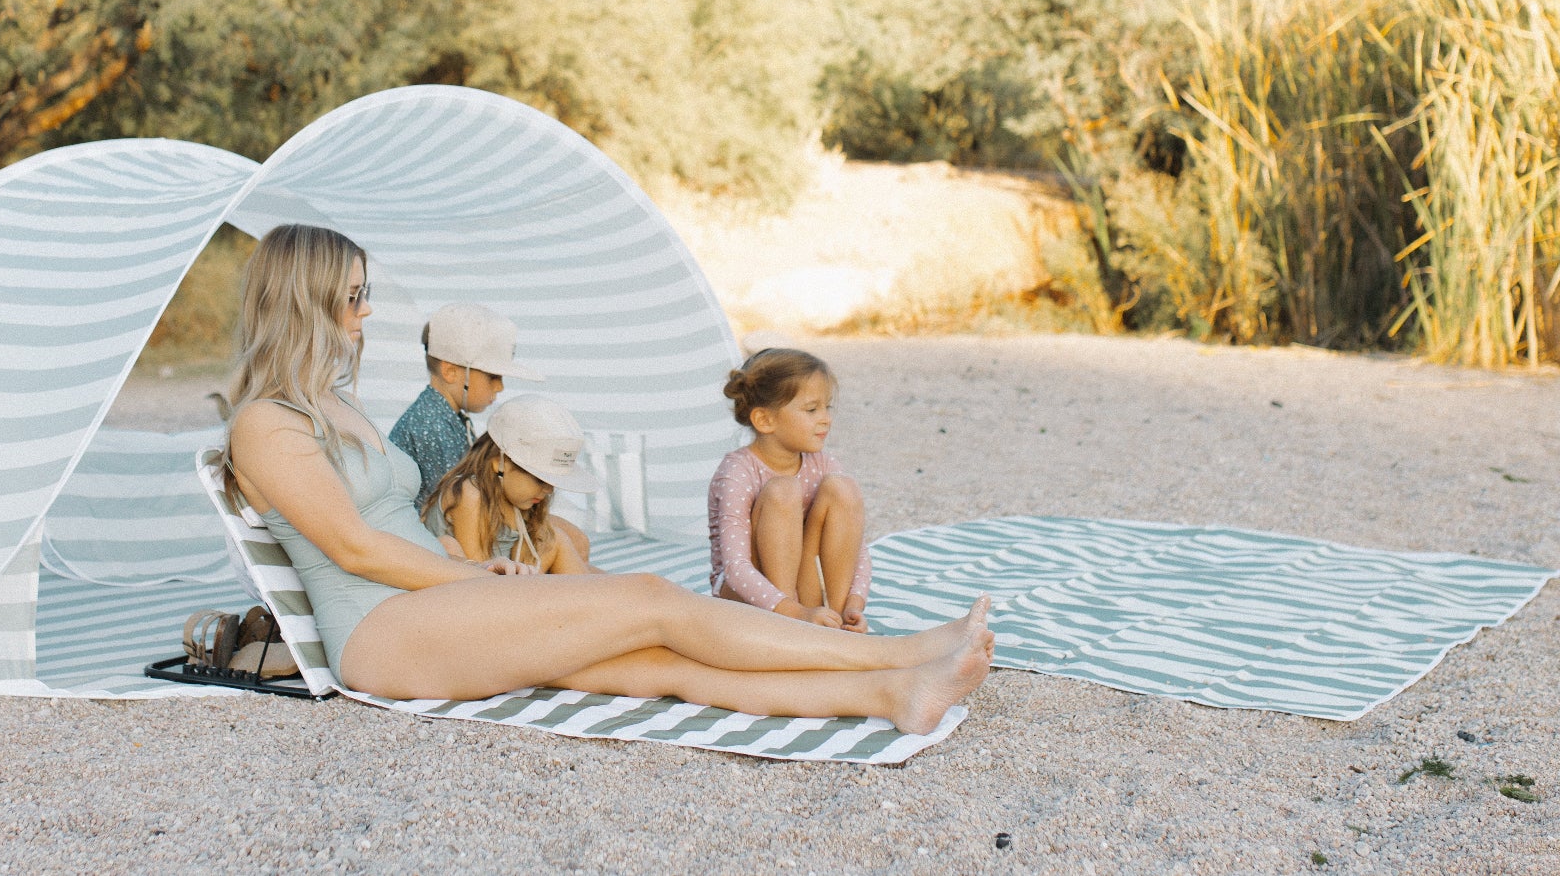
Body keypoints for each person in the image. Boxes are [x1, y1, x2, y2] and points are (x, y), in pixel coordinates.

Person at [223, 223, 994, 734]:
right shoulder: (266, 422)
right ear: (309, 300)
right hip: (381, 627)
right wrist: (474, 572)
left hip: (427, 596)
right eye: (354, 295)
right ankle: (897, 652)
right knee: (653, 599)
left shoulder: (331, 403)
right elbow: (355, 548)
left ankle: (894, 695)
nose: (366, 310)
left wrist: (469, 571)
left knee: (658, 663)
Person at [708, 348, 872, 632]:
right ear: (765, 420)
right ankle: (788, 626)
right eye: (811, 409)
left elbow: (856, 548)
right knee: (783, 490)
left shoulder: (823, 464)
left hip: (801, 595)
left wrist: (853, 605)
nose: (826, 419)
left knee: (843, 488)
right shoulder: (737, 471)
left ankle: (836, 622)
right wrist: (793, 611)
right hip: (747, 596)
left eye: (827, 407)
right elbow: (735, 570)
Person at [421, 394, 597, 573]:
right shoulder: (471, 493)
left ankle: (601, 594)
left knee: (560, 539)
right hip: (468, 582)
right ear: (500, 463)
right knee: (557, 540)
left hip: (507, 577)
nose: (549, 489)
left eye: (552, 481)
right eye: (540, 479)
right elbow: (479, 572)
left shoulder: (518, 498)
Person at [387, 302, 542, 493]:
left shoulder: (447, 417)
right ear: (450, 371)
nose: (500, 387)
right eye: (492, 376)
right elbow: (456, 501)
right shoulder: (431, 424)